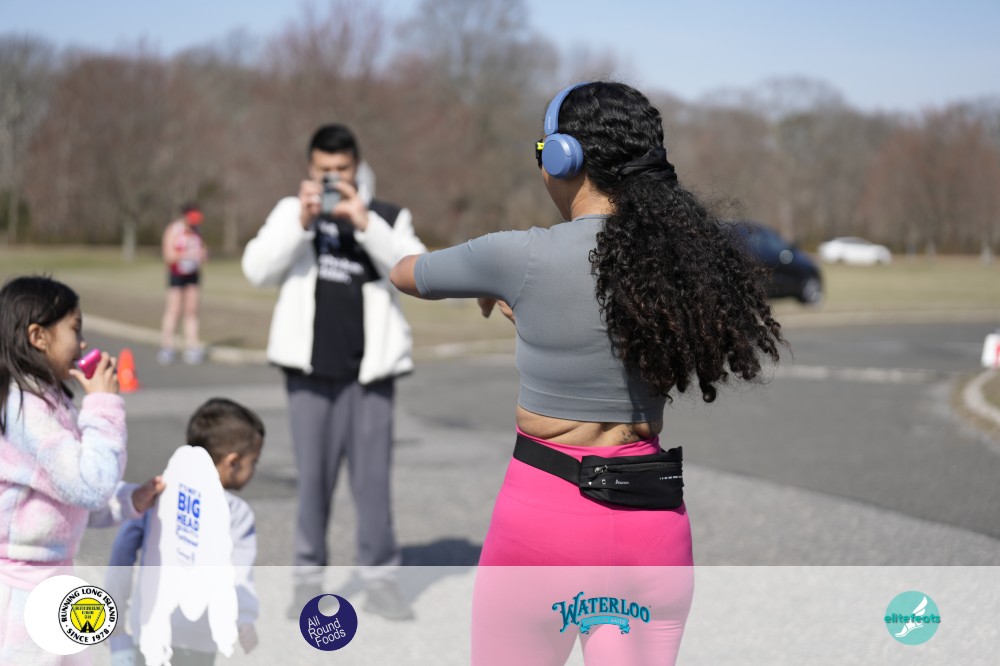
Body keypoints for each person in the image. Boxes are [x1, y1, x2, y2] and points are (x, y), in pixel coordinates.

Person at [390, 82, 786, 664]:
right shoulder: (675, 265)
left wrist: (499, 288)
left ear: (562, 158)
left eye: (541, 150)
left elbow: (406, 273)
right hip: (652, 529)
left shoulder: (519, 256)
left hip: (543, 523)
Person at [241, 124, 426, 621]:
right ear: (310, 168)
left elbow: (419, 271)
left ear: (356, 167)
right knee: (312, 486)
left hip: (370, 377)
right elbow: (256, 269)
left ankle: (381, 583)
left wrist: (365, 223)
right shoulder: (291, 211)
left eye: (342, 169)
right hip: (309, 376)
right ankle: (307, 585)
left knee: (373, 488)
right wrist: (301, 223)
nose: (333, 178)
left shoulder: (386, 215)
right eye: (325, 169)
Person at [0, 275, 164, 665]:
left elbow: (73, 494)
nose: (84, 343)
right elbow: (90, 485)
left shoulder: (47, 400)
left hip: (50, 579)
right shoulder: (27, 412)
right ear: (38, 337)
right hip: (21, 592)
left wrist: (130, 500)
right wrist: (104, 404)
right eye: (75, 329)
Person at [106, 398, 263, 666]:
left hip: (149, 626)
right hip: (198, 640)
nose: (254, 469)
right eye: (254, 462)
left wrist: (116, 623)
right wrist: (244, 619)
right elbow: (239, 574)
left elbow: (122, 553)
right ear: (233, 462)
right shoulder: (236, 513)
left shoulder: (158, 493)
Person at [159, 203, 208, 365]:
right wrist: (186, 254)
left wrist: (202, 255)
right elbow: (168, 256)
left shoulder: (197, 232)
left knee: (192, 310)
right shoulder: (173, 230)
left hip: (193, 275)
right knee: (174, 310)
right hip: (176, 275)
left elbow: (204, 252)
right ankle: (167, 346)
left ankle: (192, 346)